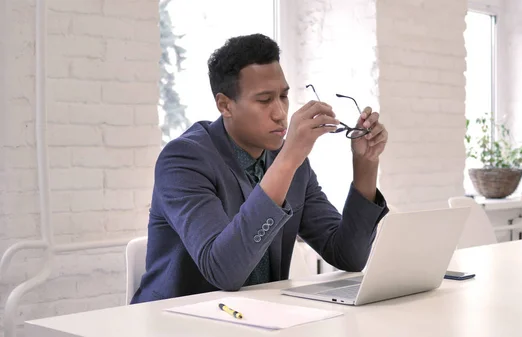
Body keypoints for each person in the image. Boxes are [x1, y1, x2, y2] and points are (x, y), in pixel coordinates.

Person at [130, 33, 389, 304]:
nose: (280, 112)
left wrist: (365, 163)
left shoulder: (292, 163)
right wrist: (288, 159)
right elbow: (224, 271)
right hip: (175, 321)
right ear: (225, 105)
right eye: (264, 100)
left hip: (258, 318)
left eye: (284, 96)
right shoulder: (183, 160)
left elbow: (348, 256)